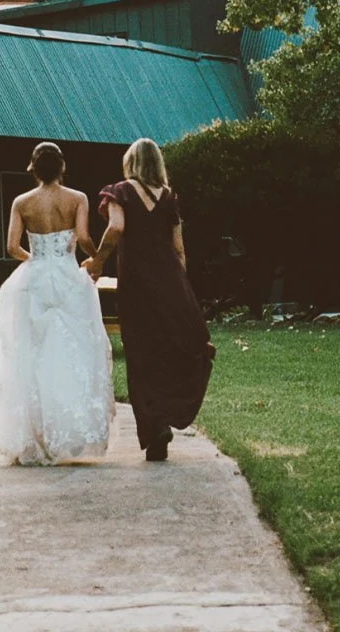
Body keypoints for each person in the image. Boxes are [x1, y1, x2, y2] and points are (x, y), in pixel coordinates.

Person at [84, 138, 213, 462]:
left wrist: (98, 261)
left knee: (143, 355)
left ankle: (155, 429)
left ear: (131, 163)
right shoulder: (169, 198)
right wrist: (178, 286)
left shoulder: (120, 192)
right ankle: (167, 415)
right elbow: (179, 249)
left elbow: (116, 228)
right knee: (171, 349)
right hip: (169, 282)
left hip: (138, 285)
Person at [0, 141, 115, 465]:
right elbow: (85, 238)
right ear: (62, 168)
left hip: (34, 279)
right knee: (74, 352)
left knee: (30, 356)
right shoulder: (77, 199)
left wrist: (37, 260)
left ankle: (34, 436)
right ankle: (68, 433)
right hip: (68, 277)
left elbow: (11, 246)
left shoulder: (21, 202)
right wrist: (95, 259)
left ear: (33, 168)